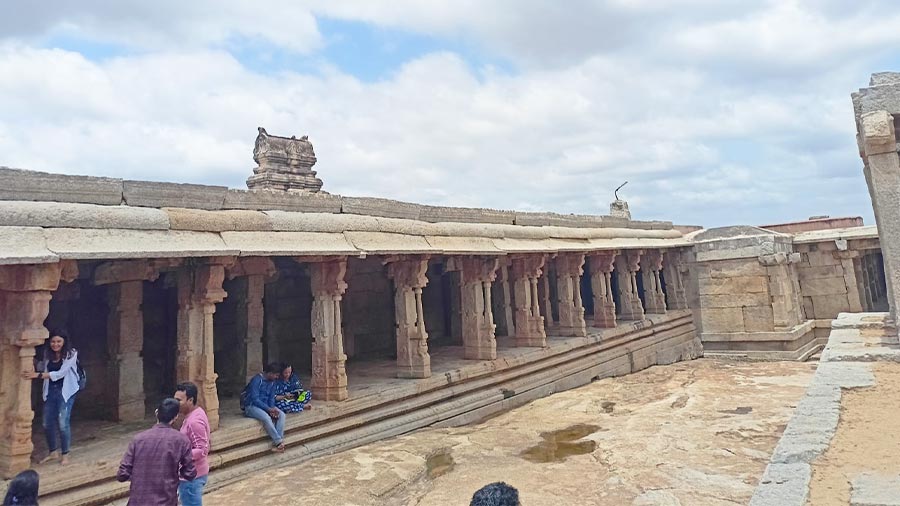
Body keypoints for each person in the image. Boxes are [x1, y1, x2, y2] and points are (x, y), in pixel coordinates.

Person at [117, 398, 196, 506]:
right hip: (166, 501)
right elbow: (190, 473)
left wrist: (140, 477)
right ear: (176, 417)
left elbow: (122, 474)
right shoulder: (181, 441)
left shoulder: (138, 439)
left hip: (138, 501)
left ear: (156, 413)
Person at [22, 330, 81, 466]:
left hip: (66, 391)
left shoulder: (71, 353)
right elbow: (44, 366)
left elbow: (61, 373)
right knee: (47, 423)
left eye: (58, 341)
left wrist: (36, 375)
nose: (55, 344)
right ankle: (53, 452)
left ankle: (65, 454)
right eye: (53, 341)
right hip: (51, 391)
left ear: (64, 341)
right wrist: (33, 361)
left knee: (62, 423)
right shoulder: (47, 353)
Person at [174, 382, 210, 506]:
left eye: (179, 400)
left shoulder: (194, 421)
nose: (176, 403)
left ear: (190, 400)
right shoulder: (194, 414)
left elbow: (202, 449)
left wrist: (180, 455)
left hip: (192, 476)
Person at [241, 363, 286, 452]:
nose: (276, 377)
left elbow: (271, 397)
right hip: (251, 406)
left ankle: (279, 441)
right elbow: (255, 399)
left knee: (282, 415)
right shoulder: (257, 380)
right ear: (270, 373)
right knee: (266, 418)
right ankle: (278, 442)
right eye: (276, 375)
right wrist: (268, 409)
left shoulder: (273, 382)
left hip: (266, 406)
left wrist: (272, 408)